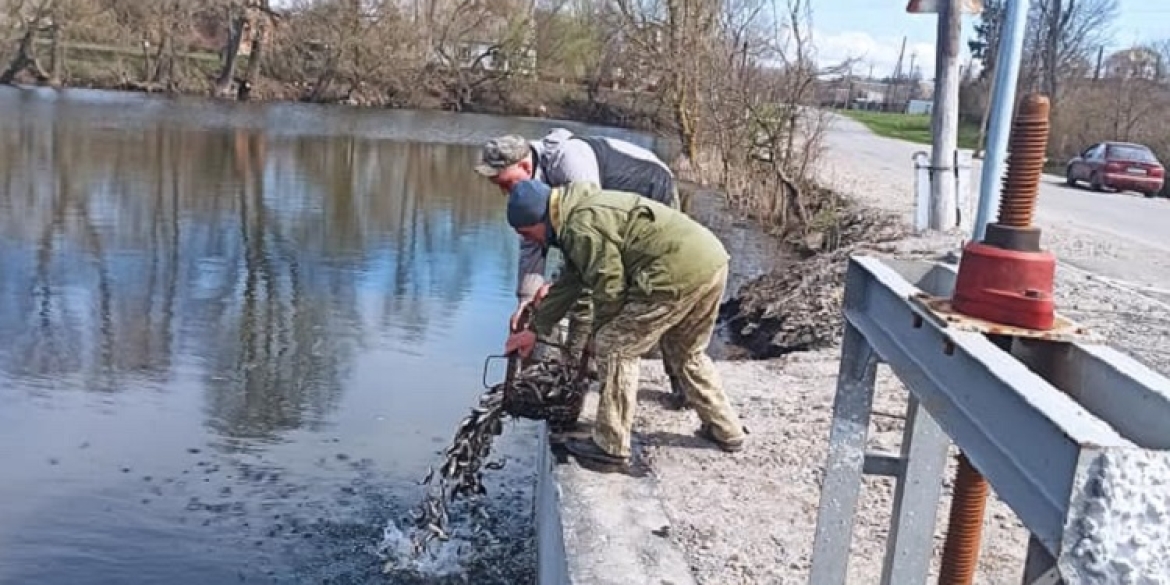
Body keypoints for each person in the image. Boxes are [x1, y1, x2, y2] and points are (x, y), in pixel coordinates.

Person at [501, 179, 747, 466]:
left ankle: (611, 444)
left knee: (616, 346)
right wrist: (535, 330)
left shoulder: (580, 226)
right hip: (711, 261)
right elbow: (573, 280)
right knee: (687, 351)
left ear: (539, 218)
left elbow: (610, 285)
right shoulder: (576, 211)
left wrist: (599, 333)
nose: (530, 241)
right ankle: (726, 430)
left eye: (527, 233)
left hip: (675, 271)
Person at [473, 128, 689, 409]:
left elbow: (590, 229)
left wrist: (562, 282)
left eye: (504, 182)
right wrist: (526, 300)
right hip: (609, 219)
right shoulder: (532, 194)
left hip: (650, 192)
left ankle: (677, 382)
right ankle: (580, 370)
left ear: (525, 165)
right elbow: (532, 244)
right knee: (582, 289)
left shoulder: (569, 161)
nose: (503, 191)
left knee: (653, 293)